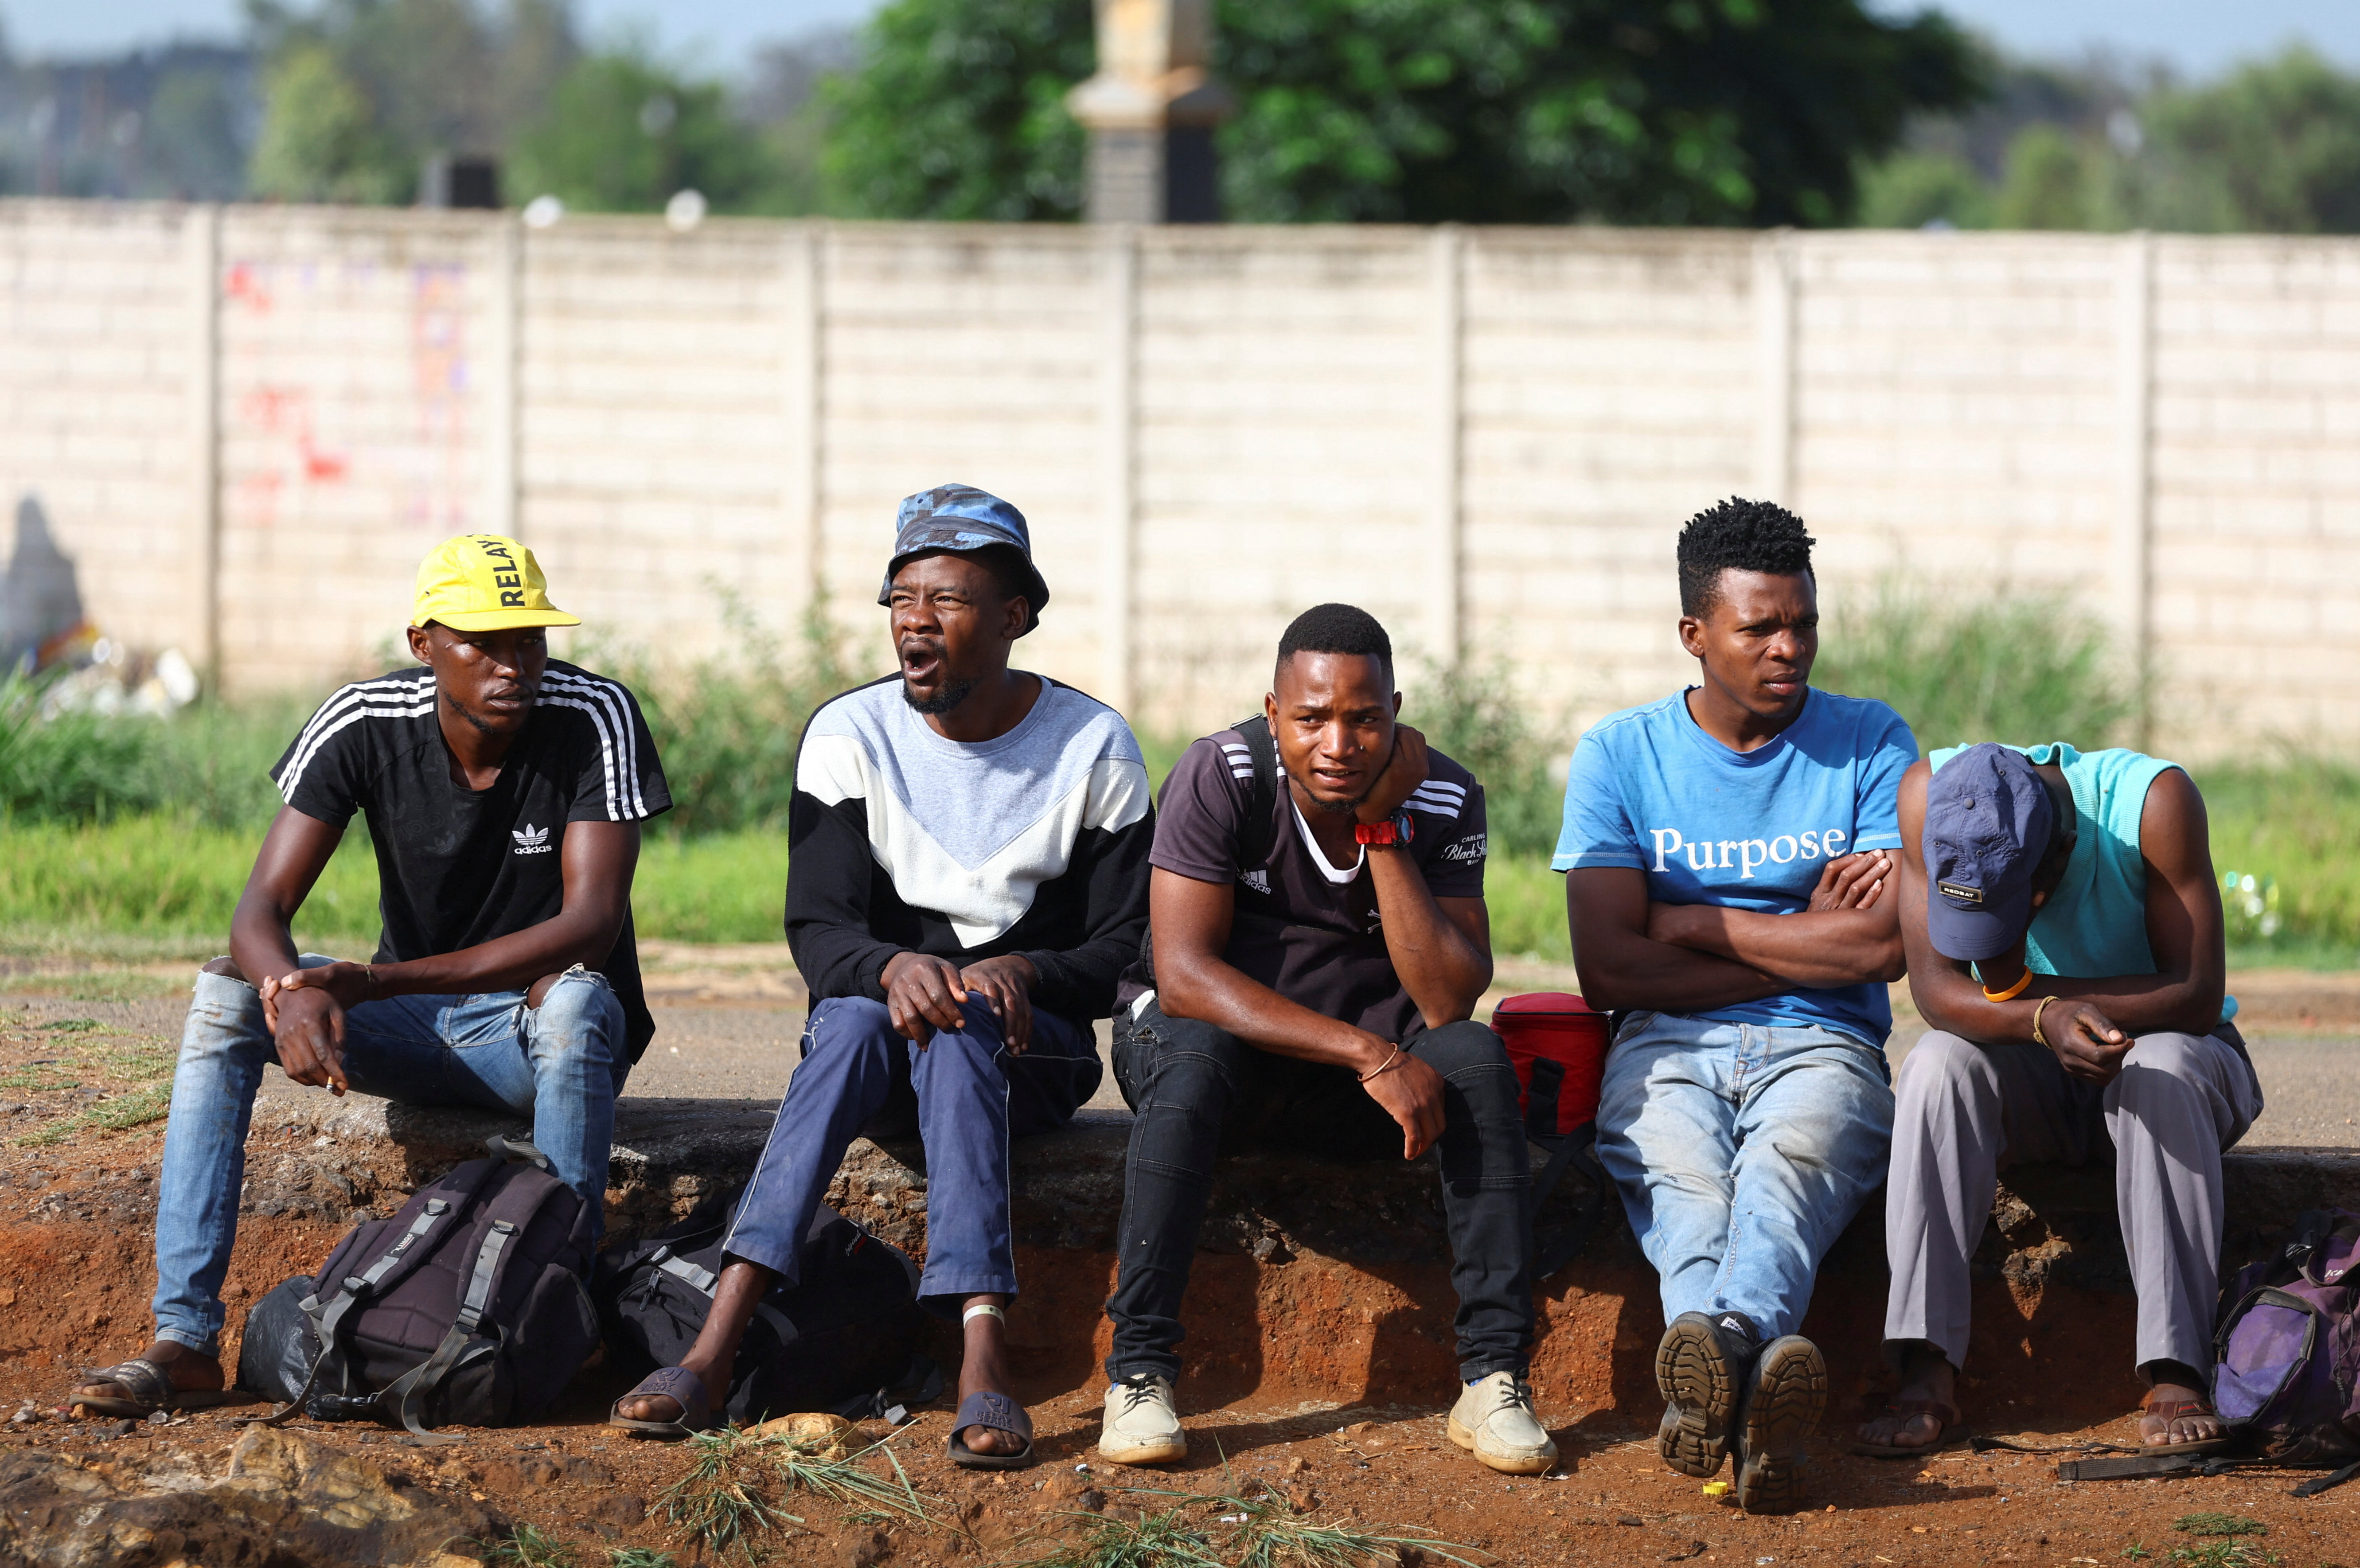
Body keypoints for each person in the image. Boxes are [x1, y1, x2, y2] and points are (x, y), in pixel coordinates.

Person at [611, 485, 1151, 1469]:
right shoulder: (849, 733)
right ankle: (714, 1342)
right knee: (858, 1020)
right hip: (871, 1048)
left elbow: (1123, 946)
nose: (914, 620)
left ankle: (980, 1349)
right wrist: (894, 963)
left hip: (1032, 1051)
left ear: (1013, 617)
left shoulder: (1093, 745)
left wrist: (1024, 966)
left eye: (944, 599)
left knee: (962, 1024)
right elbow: (817, 926)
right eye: (900, 598)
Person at [71, 534, 667, 1418]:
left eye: (529, 639)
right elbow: (258, 911)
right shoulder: (363, 719)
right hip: (417, 1023)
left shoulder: (593, 714)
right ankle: (187, 1336)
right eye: (484, 641)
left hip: (533, 1036)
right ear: (423, 641)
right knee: (222, 995)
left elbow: (588, 925)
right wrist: (287, 991)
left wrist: (373, 982)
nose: (515, 664)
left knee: (580, 997)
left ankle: (553, 1324)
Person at [1098, 603, 1557, 1477]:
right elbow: (1186, 972)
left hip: (1354, 1088)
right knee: (1195, 1055)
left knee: (1477, 1058)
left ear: (1396, 712)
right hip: (1214, 1063)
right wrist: (1369, 1052)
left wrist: (1382, 830)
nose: (1337, 742)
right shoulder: (1223, 773)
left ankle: (1493, 1376)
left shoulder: (1446, 794)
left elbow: (1449, 994)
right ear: (1273, 713)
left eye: (1363, 718)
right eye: (1310, 718)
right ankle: (1139, 1372)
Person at [1553, 498, 1918, 1513]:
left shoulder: (1870, 743)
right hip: (1662, 1045)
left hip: (1825, 1045)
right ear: (1694, 634)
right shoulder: (1620, 755)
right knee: (1686, 1189)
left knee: (1784, 1177)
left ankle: (1715, 1370)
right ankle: (1751, 1389)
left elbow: (1880, 945)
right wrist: (1798, 934)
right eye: (1758, 627)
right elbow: (1609, 972)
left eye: (1800, 621)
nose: (1787, 646)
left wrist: (1690, 922)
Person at [1855, 741, 2258, 1458]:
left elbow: (2196, 992)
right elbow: (1939, 993)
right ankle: (1925, 1362)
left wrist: (2054, 1007)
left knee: (2156, 1063)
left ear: (2046, 881)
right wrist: (2040, 1020)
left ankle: (2178, 1368)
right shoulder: (1927, 796)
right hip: (2032, 1062)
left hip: (2176, 1058)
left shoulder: (2153, 804)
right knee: (1935, 1065)